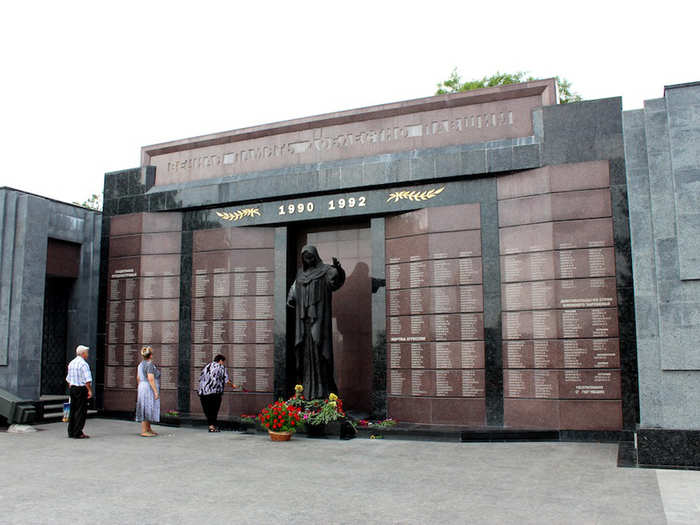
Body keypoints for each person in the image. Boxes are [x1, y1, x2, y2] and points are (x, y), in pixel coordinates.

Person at [287, 245, 345, 400]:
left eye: (311, 257)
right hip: (303, 323)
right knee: (304, 355)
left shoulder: (325, 270)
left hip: (319, 321)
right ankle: (306, 392)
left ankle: (323, 392)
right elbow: (294, 290)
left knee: (321, 353)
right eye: (305, 257)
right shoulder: (300, 273)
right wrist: (291, 298)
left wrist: (338, 270)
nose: (309, 260)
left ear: (316, 256)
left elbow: (335, 281)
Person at [198, 354, 238, 432]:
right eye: (223, 362)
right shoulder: (221, 367)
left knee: (208, 410)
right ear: (220, 361)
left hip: (203, 392)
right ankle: (212, 427)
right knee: (214, 410)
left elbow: (201, 378)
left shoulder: (207, 366)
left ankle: (211, 426)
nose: (223, 363)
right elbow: (226, 380)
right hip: (214, 393)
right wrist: (233, 385)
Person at [66, 345, 93, 439]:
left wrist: (71, 387)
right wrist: (89, 390)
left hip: (73, 388)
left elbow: (68, 379)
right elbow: (87, 380)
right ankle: (78, 432)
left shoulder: (71, 363)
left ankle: (71, 431)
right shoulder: (84, 364)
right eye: (87, 353)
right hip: (81, 389)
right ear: (83, 353)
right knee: (81, 411)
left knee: (73, 410)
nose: (88, 355)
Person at [135, 346, 160, 437]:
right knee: (146, 407)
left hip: (142, 386)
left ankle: (148, 428)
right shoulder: (149, 364)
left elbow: (138, 378)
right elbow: (151, 378)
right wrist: (155, 391)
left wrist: (140, 388)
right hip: (147, 387)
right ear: (151, 355)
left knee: (147, 406)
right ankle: (144, 430)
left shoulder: (140, 364)